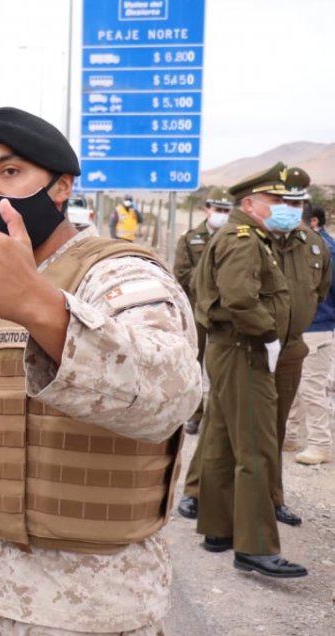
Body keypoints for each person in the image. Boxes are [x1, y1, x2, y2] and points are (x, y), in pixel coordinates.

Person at [0, 106, 200, 635]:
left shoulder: (119, 274)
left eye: (10, 172)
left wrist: (40, 305)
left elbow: (171, 397)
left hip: (92, 605)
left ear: (61, 186)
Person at [192, 162, 308, 578]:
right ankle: (256, 547)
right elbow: (240, 298)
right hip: (245, 349)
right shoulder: (244, 239)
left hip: (230, 349)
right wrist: (269, 335)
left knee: (223, 442)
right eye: (276, 200)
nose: (285, 207)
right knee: (257, 447)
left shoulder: (249, 236)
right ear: (250, 203)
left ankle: (219, 529)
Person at [264, 166, 330, 525]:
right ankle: (210, 498)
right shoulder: (256, 239)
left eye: (295, 201)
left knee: (281, 422)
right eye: (282, 200)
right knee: (238, 428)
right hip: (256, 346)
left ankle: (272, 498)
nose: (288, 206)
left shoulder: (317, 245)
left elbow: (320, 290)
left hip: (300, 340)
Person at [174, 187, 233, 436]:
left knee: (223, 365)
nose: (221, 214)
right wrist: (212, 279)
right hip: (197, 309)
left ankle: (219, 418)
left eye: (225, 210)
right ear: (207, 209)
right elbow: (181, 274)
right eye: (217, 209)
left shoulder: (236, 239)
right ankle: (195, 415)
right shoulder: (190, 239)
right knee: (194, 364)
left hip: (226, 310)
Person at [286, 205, 335, 465]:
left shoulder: (325, 248)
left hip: (318, 326)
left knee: (312, 388)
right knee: (294, 385)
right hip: (306, 327)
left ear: (313, 222)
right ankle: (290, 435)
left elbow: (325, 289)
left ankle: (320, 444)